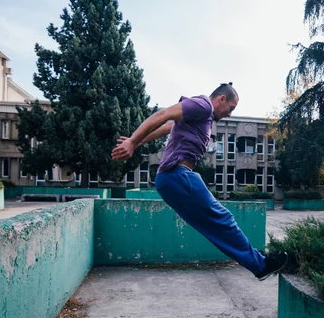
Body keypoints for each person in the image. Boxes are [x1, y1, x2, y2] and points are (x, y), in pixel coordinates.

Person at [111, 83, 288, 280]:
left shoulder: (200, 117)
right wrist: (133, 141)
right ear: (221, 99)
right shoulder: (203, 106)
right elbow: (163, 115)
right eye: (231, 108)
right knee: (222, 219)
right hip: (177, 175)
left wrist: (137, 143)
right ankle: (260, 265)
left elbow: (167, 127)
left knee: (212, 225)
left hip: (171, 179)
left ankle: (256, 260)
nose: (230, 114)